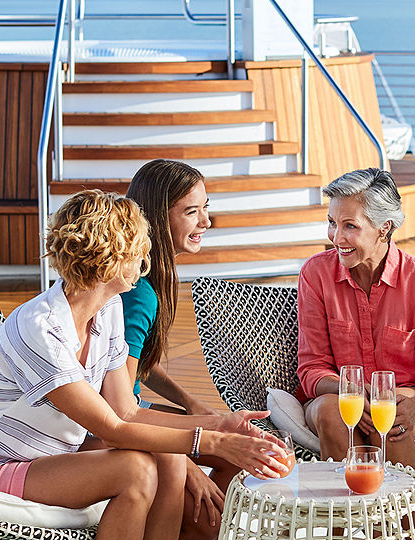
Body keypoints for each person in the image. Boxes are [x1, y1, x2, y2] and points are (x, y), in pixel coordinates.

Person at [0, 190, 288, 540]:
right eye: (137, 251)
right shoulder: (40, 328)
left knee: (170, 458)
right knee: (134, 470)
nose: (144, 259)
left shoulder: (109, 308)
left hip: (49, 454)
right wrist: (216, 441)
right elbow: (112, 428)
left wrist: (220, 422)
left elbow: (126, 412)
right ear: (110, 258)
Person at [297, 168, 415, 467]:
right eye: (332, 223)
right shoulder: (315, 274)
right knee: (332, 412)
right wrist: (354, 393)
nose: (336, 237)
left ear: (383, 228)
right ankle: (343, 510)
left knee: (388, 418)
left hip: (405, 397)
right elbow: (313, 368)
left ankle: (411, 508)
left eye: (350, 226)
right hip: (336, 396)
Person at [121, 159, 243, 532]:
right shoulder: (138, 292)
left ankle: (196, 524)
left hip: (131, 408)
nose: (206, 222)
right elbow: (119, 405)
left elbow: (135, 362)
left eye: (206, 208)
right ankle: (198, 525)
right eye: (192, 212)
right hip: (110, 422)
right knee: (219, 472)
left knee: (236, 446)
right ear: (159, 217)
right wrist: (187, 465)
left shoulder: (150, 276)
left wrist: (188, 403)